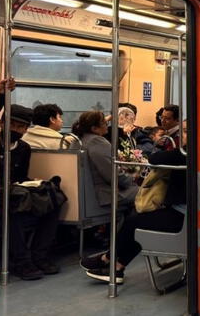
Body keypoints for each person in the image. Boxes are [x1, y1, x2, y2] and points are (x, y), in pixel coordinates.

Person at [81, 121, 188, 284]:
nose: (183, 135)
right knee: (141, 219)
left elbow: (154, 158)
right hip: (186, 212)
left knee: (135, 221)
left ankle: (108, 258)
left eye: (187, 131)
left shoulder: (185, 153)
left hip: (182, 216)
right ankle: (117, 265)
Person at [0, 104, 60, 280]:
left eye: (21, 127)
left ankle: (39, 255)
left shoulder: (24, 148)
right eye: (13, 125)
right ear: (2, 123)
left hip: (14, 190)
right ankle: (21, 261)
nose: (17, 130)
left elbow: (21, 176)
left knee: (53, 202)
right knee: (14, 210)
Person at [72, 111, 138, 206]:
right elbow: (112, 174)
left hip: (82, 192)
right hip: (102, 194)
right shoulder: (96, 141)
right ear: (94, 128)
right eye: (105, 123)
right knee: (144, 192)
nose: (107, 125)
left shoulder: (77, 140)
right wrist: (132, 178)